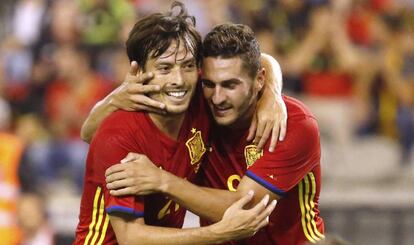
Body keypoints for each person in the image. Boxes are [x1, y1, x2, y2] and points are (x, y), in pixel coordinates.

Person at [74, 2, 277, 245]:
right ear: (138, 73)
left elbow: (254, 61)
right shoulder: (121, 134)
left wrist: (272, 94)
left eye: (188, 66)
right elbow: (132, 238)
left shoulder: (201, 98)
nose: (178, 80)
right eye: (164, 68)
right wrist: (219, 232)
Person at [104, 23, 325, 245]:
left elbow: (246, 207)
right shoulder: (198, 105)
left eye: (230, 85)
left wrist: (161, 181)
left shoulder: (293, 125)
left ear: (260, 80)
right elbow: (93, 133)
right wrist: (113, 100)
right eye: (209, 84)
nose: (217, 98)